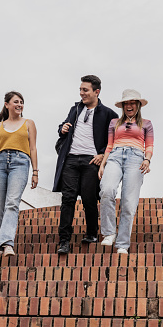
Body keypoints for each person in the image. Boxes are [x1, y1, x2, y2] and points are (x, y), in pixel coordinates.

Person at [53, 75, 118, 254]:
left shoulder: (109, 114)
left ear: (97, 92)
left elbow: (115, 139)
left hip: (91, 160)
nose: (81, 93)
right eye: (81, 89)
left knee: (89, 199)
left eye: (85, 90)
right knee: (68, 199)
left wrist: (102, 154)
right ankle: (64, 241)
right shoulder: (75, 109)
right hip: (71, 158)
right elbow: (62, 127)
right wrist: (62, 128)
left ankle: (92, 233)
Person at [0, 91, 38, 257]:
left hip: (20, 163)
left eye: (22, 102)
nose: (19, 104)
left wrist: (35, 172)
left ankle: (7, 244)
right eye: (16, 101)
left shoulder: (29, 123)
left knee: (12, 202)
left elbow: (33, 148)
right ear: (7, 104)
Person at [98, 89, 154, 254]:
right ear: (122, 106)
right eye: (126, 103)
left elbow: (149, 146)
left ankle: (123, 243)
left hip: (136, 158)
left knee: (129, 202)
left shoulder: (147, 123)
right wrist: (103, 164)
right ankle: (109, 233)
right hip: (115, 155)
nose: (129, 106)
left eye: (132, 103)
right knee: (106, 190)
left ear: (138, 105)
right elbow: (109, 145)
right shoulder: (114, 123)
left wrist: (147, 159)